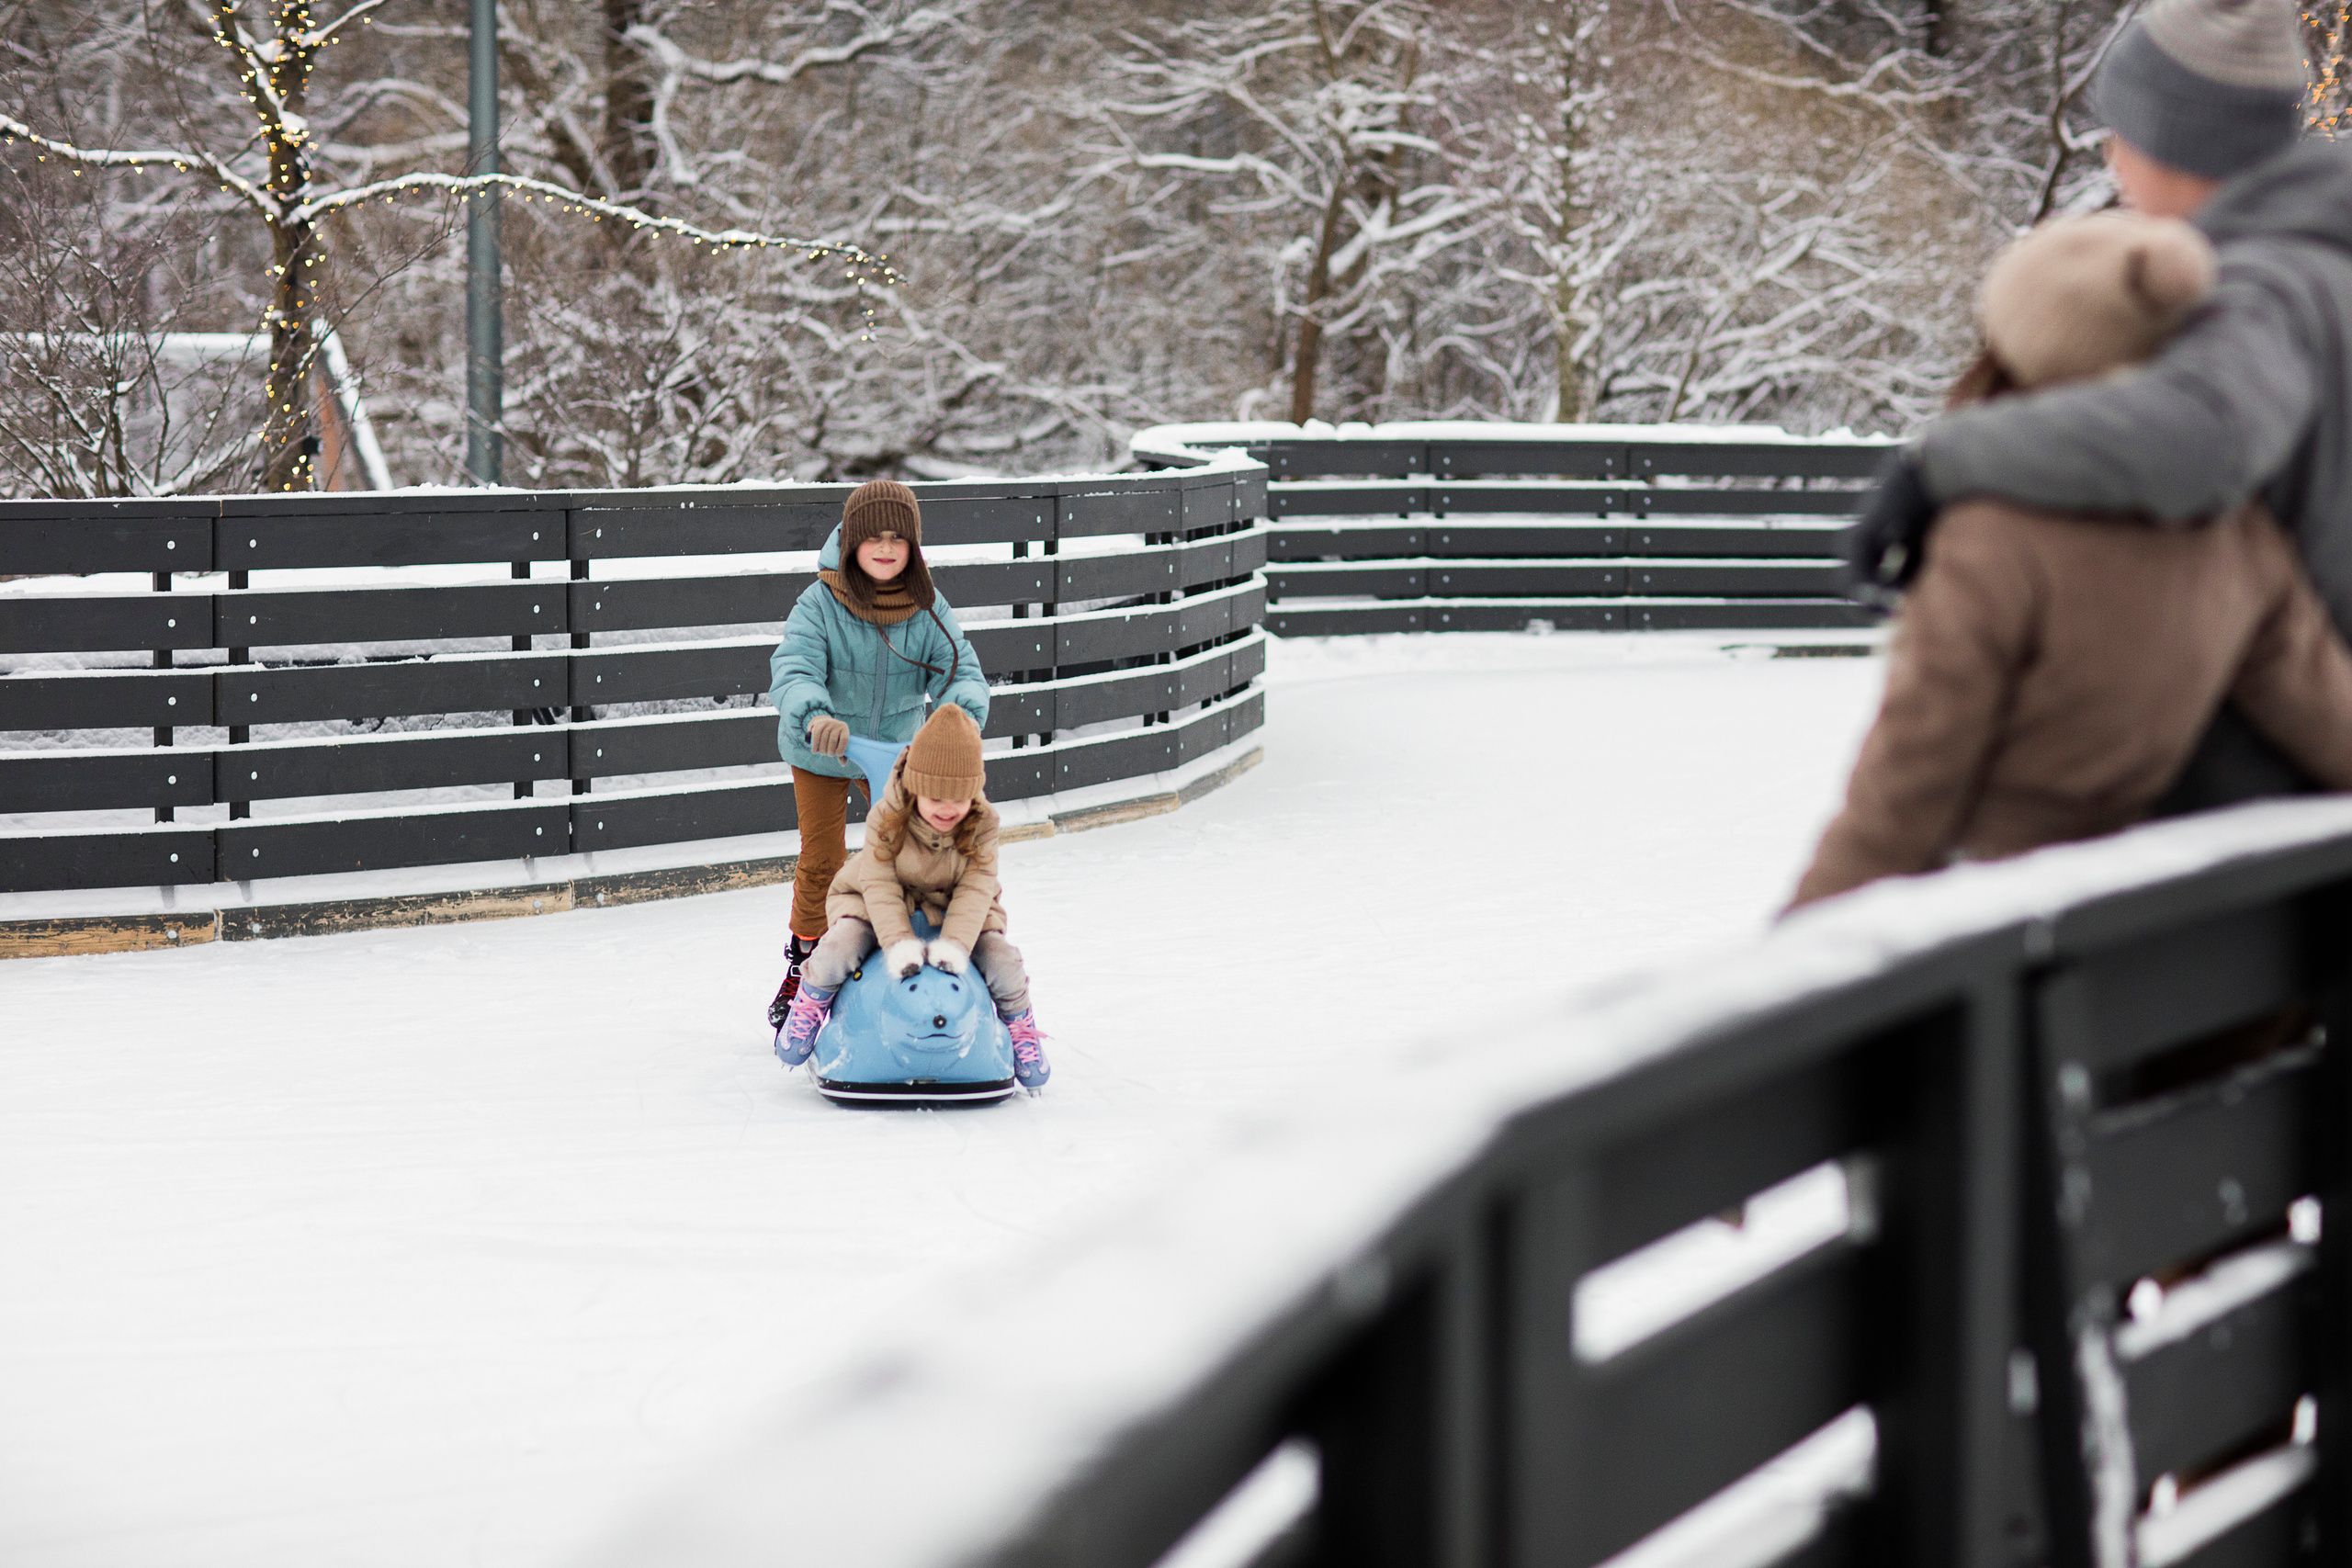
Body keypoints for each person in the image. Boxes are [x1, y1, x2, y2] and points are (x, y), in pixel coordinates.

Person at [1847, 0, 2352, 811]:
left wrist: (1941, 463)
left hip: (2253, 815)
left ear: (2183, 146)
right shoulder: (2324, 263)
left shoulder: (2265, 288)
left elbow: (2201, 436)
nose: (2114, 163)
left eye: (2123, 135)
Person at [1789, 212, 2352, 909]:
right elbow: (2335, 726)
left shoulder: (1994, 536)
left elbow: (1905, 794)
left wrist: (1794, 946)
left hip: (2010, 925)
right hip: (2159, 920)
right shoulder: (2237, 532)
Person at [766, 479, 988, 1028]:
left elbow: (962, 670)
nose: (886, 548)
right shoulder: (819, 601)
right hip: (823, 748)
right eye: (873, 538)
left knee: (911, 855)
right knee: (823, 860)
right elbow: (793, 667)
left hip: (897, 752)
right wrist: (814, 713)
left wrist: (955, 723)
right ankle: (807, 964)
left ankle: (912, 960)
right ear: (850, 544)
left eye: (898, 538)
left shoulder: (928, 606)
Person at [776, 704, 1050, 1090]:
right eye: (936, 797)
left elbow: (975, 889)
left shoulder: (982, 825)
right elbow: (879, 884)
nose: (948, 809)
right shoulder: (887, 817)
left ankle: (1020, 1026)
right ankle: (810, 1002)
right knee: (840, 944)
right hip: (878, 899)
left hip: (956, 904)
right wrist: (898, 944)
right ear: (915, 786)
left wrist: (955, 946)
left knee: (1003, 959)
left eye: (960, 798)